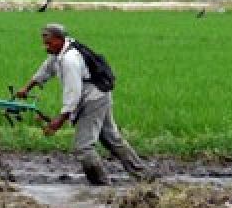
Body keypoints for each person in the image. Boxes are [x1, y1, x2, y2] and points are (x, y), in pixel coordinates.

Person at [15, 23, 148, 185]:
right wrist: (26, 88)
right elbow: (45, 70)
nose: (45, 46)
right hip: (100, 95)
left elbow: (73, 93)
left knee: (83, 147)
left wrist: (59, 120)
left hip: (93, 99)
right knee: (112, 139)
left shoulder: (70, 60)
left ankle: (101, 185)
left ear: (59, 39)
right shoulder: (60, 51)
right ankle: (143, 175)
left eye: (48, 42)